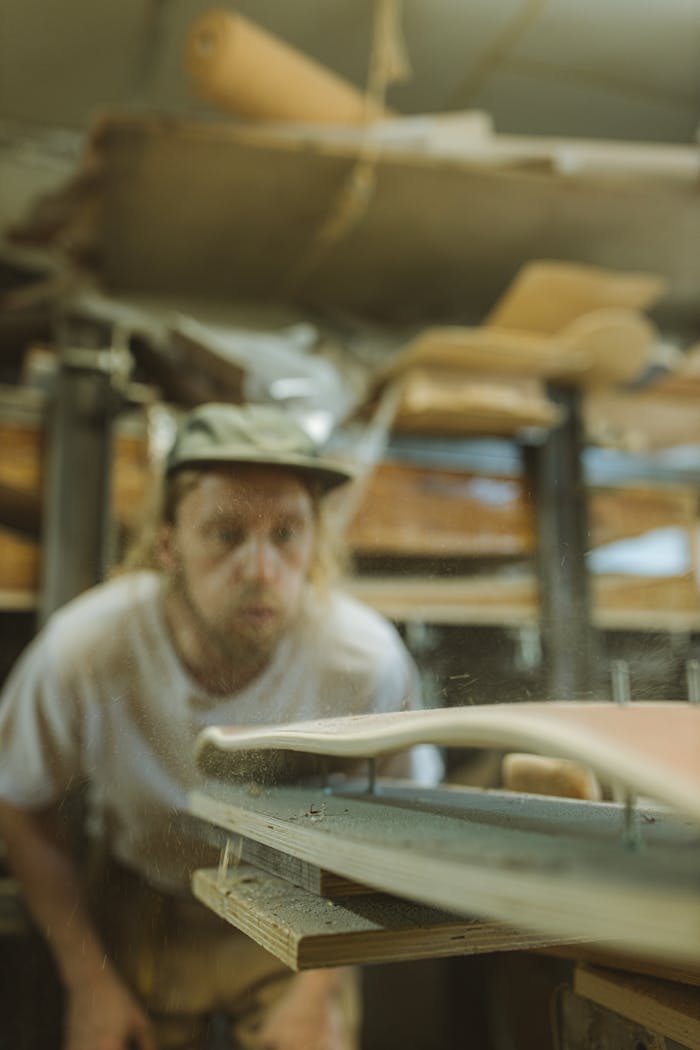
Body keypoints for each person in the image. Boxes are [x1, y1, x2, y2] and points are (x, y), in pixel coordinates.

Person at [0, 402, 441, 1050]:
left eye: (286, 534)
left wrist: (317, 996)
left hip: (301, 911)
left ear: (315, 542)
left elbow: (402, 831)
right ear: (170, 544)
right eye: (226, 535)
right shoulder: (86, 652)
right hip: (142, 902)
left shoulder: (362, 664)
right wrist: (87, 984)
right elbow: (18, 803)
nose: (261, 570)